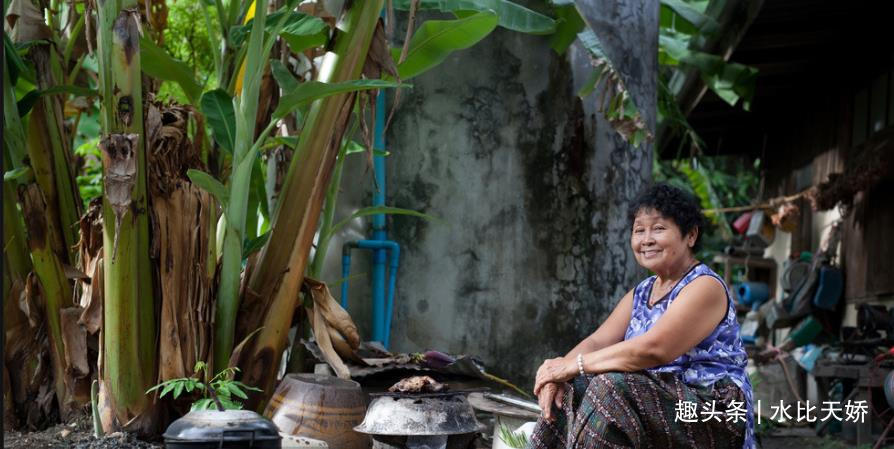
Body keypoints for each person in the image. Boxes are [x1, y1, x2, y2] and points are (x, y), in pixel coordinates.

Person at [530, 183, 754, 449]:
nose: (646, 239)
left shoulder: (704, 286)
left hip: (712, 409)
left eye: (658, 229)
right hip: (657, 399)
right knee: (570, 389)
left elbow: (654, 349)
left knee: (610, 388)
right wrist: (555, 376)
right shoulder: (643, 291)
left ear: (690, 235)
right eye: (639, 230)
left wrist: (571, 366)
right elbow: (597, 342)